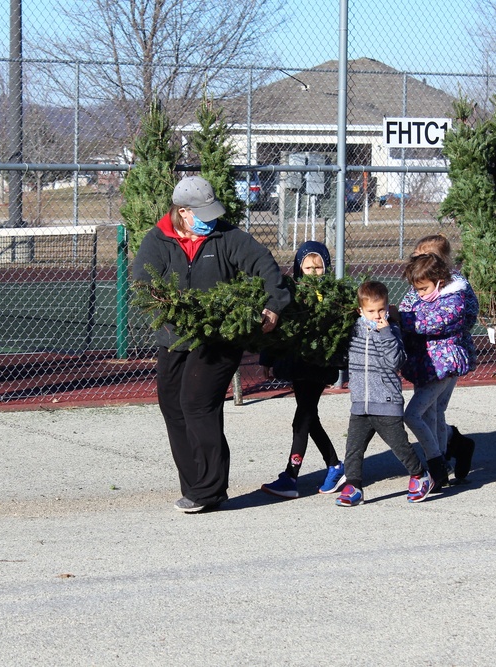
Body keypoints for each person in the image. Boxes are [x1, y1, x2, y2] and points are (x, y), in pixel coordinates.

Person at [132, 175, 291, 514]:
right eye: (203, 213)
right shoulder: (158, 240)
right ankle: (195, 486)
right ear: (184, 212)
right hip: (174, 337)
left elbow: (264, 264)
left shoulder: (227, 236)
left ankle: (209, 490)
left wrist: (274, 305)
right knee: (172, 404)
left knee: (197, 402)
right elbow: (144, 280)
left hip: (220, 337)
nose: (211, 219)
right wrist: (171, 306)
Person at [333, 280, 432, 507]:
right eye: (371, 311)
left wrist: (386, 331)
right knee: (353, 449)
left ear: (388, 308)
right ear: (361, 311)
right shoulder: (354, 331)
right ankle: (354, 487)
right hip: (360, 403)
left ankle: (420, 476)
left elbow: (395, 361)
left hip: (386, 402)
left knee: (400, 447)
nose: (377, 315)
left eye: (381, 310)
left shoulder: (392, 332)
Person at [259, 242, 344, 499]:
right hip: (298, 363)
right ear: (299, 268)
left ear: (326, 267)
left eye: (319, 267)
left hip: (318, 365)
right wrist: (266, 359)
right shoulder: (291, 293)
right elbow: (278, 328)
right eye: (308, 267)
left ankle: (291, 476)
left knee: (302, 419)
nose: (314, 272)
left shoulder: (332, 296)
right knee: (309, 418)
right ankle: (335, 465)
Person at [401, 234, 478, 481]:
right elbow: (406, 309)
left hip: (444, 361)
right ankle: (451, 451)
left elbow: (450, 319)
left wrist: (409, 322)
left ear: (439, 265)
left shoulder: (456, 290)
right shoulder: (421, 290)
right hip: (424, 360)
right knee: (432, 412)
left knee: (424, 412)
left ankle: (440, 461)